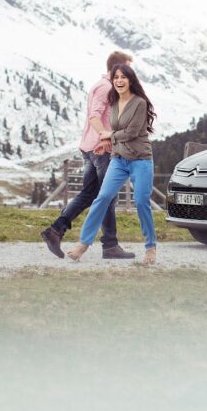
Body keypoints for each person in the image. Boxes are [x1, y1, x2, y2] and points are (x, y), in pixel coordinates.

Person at [40, 51, 135, 260]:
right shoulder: (106, 87)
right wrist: (104, 137)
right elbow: (94, 116)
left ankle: (55, 230)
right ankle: (110, 246)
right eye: (128, 68)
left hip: (90, 147)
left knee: (89, 194)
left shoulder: (101, 85)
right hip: (100, 150)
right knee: (108, 195)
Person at [66, 63, 158, 265]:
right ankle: (83, 244)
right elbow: (117, 133)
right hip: (118, 159)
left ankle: (151, 247)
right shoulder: (114, 103)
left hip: (140, 159)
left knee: (141, 201)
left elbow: (132, 133)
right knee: (102, 198)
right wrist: (105, 143)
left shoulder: (140, 103)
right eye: (116, 77)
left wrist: (108, 135)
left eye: (123, 77)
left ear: (130, 80)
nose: (119, 81)